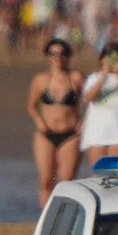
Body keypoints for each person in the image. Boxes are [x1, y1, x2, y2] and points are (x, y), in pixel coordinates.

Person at [27, 38, 84, 206]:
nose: (58, 58)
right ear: (47, 57)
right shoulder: (41, 79)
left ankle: (63, 217)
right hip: (46, 134)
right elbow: (31, 105)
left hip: (71, 134)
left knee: (66, 181)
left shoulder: (76, 77)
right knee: (46, 181)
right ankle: (46, 219)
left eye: (62, 54)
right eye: (54, 54)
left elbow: (92, 99)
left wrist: (84, 122)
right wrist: (39, 121)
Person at [81, 41, 118, 168]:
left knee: (117, 173)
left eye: (116, 57)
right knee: (97, 174)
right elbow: (89, 97)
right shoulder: (93, 78)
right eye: (109, 57)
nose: (112, 61)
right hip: (97, 134)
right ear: (102, 58)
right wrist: (104, 75)